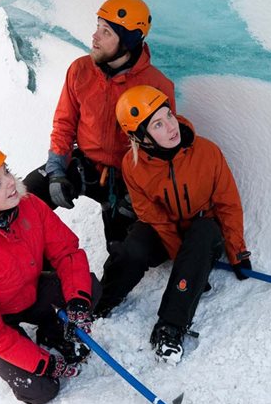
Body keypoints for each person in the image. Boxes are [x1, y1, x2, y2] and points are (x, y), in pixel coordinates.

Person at [97, 85, 252, 363]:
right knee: (134, 246)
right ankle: (98, 304)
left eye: (168, 115)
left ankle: (171, 326)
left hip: (203, 229)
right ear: (140, 137)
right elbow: (152, 215)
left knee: (204, 232)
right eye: (158, 124)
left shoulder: (207, 152)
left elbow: (228, 204)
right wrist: (183, 259)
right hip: (165, 229)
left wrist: (237, 252)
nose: (171, 127)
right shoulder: (133, 165)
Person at [0, 138, 99, 404]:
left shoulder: (29, 206)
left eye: (6, 172)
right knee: (41, 390)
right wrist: (43, 363)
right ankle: (21, 351)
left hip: (31, 292)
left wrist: (78, 301)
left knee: (88, 289)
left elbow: (67, 252)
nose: (11, 182)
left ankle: (53, 332)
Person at [24, 0, 176, 250]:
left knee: (124, 250)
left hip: (127, 179)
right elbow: (64, 124)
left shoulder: (156, 86)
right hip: (84, 165)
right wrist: (57, 170)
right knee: (26, 197)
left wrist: (138, 195)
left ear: (127, 41)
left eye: (105, 32)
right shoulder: (80, 70)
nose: (94, 37)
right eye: (97, 27)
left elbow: (162, 150)